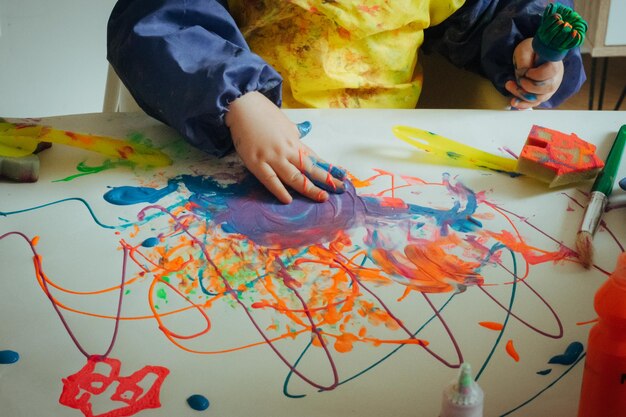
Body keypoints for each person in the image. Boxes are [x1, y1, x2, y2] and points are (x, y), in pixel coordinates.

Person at [107, 0, 585, 204]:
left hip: (379, 155)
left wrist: (526, 53)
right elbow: (153, 20)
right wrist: (236, 98)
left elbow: (487, 16)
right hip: (232, 136)